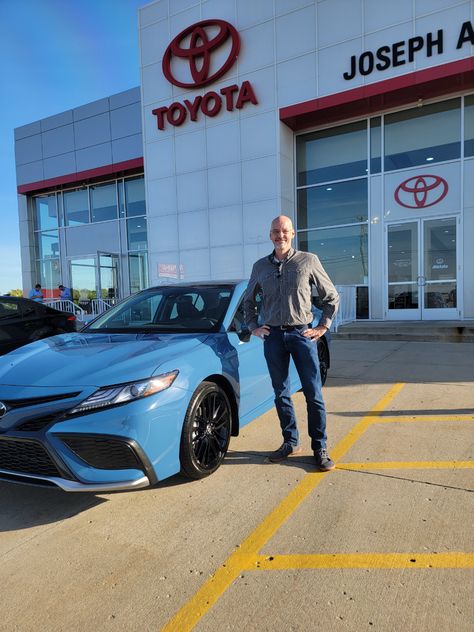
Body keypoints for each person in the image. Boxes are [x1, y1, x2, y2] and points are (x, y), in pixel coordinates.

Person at [243, 215, 339, 471]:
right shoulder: (260, 266)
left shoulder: (308, 261)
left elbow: (331, 296)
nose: (280, 235)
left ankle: (319, 446)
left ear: (292, 233)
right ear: (270, 235)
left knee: (313, 393)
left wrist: (323, 326)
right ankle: (290, 441)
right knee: (281, 392)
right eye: (275, 231)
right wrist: (253, 326)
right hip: (273, 337)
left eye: (284, 231)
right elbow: (248, 301)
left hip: (301, 335)